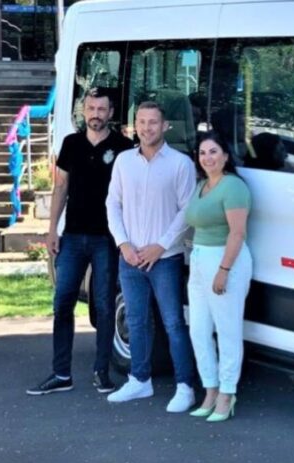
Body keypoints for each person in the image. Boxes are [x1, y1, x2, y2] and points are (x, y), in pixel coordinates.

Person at [26, 88, 134, 396]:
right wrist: (52, 229)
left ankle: (102, 373)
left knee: (104, 305)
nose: (95, 114)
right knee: (63, 303)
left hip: (107, 239)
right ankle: (61, 374)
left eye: (101, 109)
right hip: (72, 236)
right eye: (90, 108)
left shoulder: (124, 147)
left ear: (110, 113)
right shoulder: (71, 143)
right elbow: (61, 187)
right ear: (83, 111)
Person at [105, 101, 198, 413]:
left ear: (165, 126)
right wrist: (123, 244)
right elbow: (112, 204)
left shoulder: (180, 164)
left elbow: (187, 210)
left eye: (153, 122)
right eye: (141, 122)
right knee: (136, 320)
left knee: (173, 322)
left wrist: (161, 245)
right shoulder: (123, 161)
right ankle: (139, 380)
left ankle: (185, 387)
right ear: (135, 126)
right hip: (130, 257)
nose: (147, 128)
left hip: (165, 259)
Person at [185, 131, 253, 422]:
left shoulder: (233, 186)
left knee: (227, 330)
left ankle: (227, 392)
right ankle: (210, 389)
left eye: (213, 151)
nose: (207, 158)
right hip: (199, 259)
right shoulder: (202, 185)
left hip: (225, 260)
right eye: (202, 153)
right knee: (198, 330)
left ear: (225, 155)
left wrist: (223, 270)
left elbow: (237, 233)